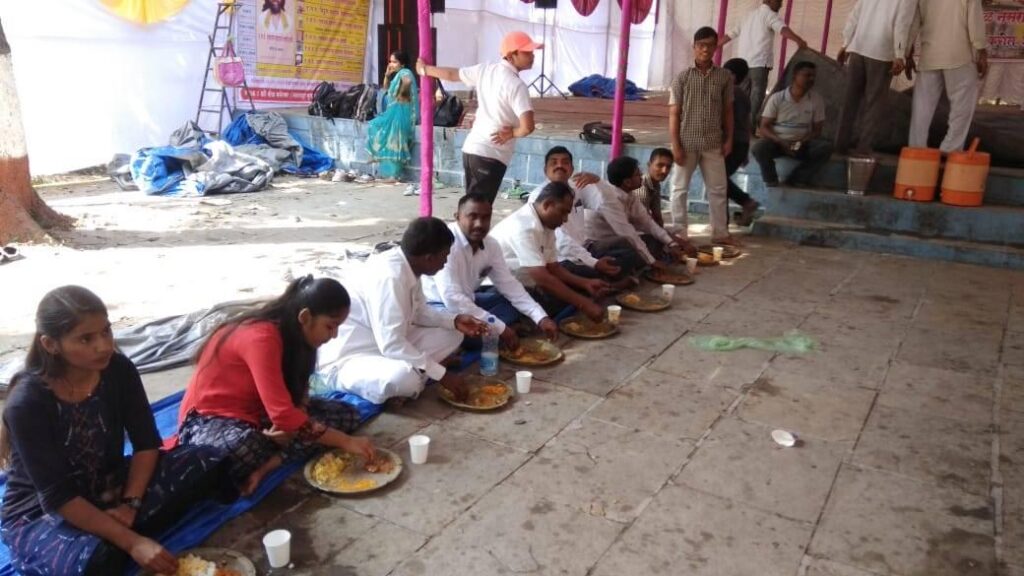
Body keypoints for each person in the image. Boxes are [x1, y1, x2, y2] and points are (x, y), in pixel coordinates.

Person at [1, 286, 231, 576]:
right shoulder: (28, 403)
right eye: (86, 338)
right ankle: (112, 540)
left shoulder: (118, 369)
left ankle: (114, 533)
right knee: (96, 560)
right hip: (44, 513)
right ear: (50, 344)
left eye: (106, 332)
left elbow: (147, 443)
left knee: (209, 460)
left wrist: (130, 504)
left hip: (110, 486)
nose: (103, 346)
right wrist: (134, 542)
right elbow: (58, 497)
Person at [177, 276, 376, 497]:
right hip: (212, 420)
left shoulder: (299, 335)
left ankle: (270, 461)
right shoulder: (260, 338)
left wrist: (297, 414)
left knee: (347, 414)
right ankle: (272, 447)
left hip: (261, 412)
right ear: (305, 317)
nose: (334, 335)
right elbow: (282, 415)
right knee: (239, 449)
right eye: (330, 326)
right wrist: (345, 441)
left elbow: (296, 398)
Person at [318, 218, 489, 405]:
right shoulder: (391, 277)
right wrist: (442, 375)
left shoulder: (409, 267)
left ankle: (417, 376)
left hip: (387, 342)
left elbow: (419, 312)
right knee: (405, 379)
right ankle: (412, 380)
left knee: (454, 334)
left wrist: (454, 320)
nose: (446, 261)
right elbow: (391, 345)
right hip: (353, 357)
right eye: (444, 256)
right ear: (429, 258)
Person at [423, 193, 559, 350]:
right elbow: (453, 299)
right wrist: (502, 328)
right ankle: (497, 331)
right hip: (439, 306)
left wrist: (541, 317)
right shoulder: (447, 244)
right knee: (470, 335)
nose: (479, 224)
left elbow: (508, 284)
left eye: (486, 217)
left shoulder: (491, 244)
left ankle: (497, 330)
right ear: (457, 217)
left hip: (470, 300)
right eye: (472, 216)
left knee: (511, 302)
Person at [417, 31, 541, 202]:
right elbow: (527, 126)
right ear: (512, 55)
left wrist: (426, 70)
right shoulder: (517, 85)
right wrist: (512, 133)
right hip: (491, 153)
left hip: (473, 149)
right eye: (527, 52)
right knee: (477, 211)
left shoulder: (486, 70)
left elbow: (453, 75)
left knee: (473, 208)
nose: (532, 56)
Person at [490, 181, 607, 322]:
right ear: (547, 205)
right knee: (568, 299)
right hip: (499, 288)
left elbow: (554, 267)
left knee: (574, 288)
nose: (565, 219)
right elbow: (542, 277)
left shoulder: (547, 224)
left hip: (528, 282)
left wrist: (585, 283)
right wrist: (584, 304)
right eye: (563, 212)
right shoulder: (523, 227)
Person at [528, 146, 641, 283]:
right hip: (562, 258)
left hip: (585, 247)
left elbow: (610, 202)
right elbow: (561, 242)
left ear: (572, 169)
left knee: (628, 249)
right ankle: (609, 283)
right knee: (589, 273)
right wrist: (594, 262)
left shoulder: (576, 188)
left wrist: (599, 182)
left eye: (565, 162)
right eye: (554, 162)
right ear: (545, 170)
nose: (560, 166)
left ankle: (608, 281)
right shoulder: (540, 198)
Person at [669, 27, 735, 247]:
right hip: (686, 143)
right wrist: (675, 145)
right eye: (701, 45)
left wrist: (729, 139)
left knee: (718, 189)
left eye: (710, 45)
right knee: (679, 189)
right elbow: (674, 113)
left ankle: (720, 233)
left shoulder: (724, 77)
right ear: (694, 47)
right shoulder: (682, 78)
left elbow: (727, 111)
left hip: (713, 142)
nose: (705, 49)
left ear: (716, 47)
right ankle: (679, 233)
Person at [905, 0, 989, 153]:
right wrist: (981, 50)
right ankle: (950, 151)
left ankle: (916, 151)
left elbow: (913, 21)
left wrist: (907, 52)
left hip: (930, 55)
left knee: (921, 107)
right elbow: (974, 21)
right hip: (959, 55)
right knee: (961, 108)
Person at [835, 0, 914, 156]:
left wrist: (845, 43)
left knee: (849, 100)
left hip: (858, 46)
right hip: (881, 52)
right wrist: (899, 55)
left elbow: (854, 15)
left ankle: (840, 145)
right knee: (874, 104)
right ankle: (863, 147)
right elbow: (902, 24)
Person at [719, 0, 809, 129]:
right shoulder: (770, 15)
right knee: (756, 97)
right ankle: (748, 127)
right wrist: (798, 40)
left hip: (743, 65)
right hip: (759, 63)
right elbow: (782, 29)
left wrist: (717, 45)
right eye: (779, 2)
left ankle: (735, 125)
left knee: (741, 95)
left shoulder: (747, 16)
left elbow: (731, 34)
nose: (781, 5)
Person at [590, 156, 683, 269]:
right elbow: (628, 234)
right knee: (629, 243)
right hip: (596, 246)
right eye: (638, 175)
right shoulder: (609, 200)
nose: (641, 177)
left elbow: (648, 223)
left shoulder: (630, 195)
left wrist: (672, 243)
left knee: (653, 239)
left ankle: (643, 264)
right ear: (628, 182)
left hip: (619, 241)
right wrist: (652, 261)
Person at [752, 61, 833, 187]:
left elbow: (817, 130)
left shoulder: (816, 100)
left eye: (813, 76)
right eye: (807, 75)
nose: (811, 79)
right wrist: (779, 141)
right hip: (777, 143)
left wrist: (802, 141)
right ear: (795, 75)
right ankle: (771, 180)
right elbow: (764, 127)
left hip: (802, 144)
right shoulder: (777, 98)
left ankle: (797, 179)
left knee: (825, 148)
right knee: (759, 148)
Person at [367, 50, 419, 181]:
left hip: (402, 113)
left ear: (402, 63)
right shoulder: (397, 75)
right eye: (390, 61)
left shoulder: (405, 73)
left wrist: (401, 96)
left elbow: (406, 85)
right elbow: (386, 89)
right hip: (393, 112)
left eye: (394, 61)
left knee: (395, 140)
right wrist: (386, 74)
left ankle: (395, 174)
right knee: (373, 125)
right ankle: (384, 166)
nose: (391, 64)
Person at [722, 58, 761, 226]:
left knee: (718, 181)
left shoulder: (732, 93)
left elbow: (736, 122)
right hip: (740, 143)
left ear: (732, 75)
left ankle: (745, 203)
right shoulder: (742, 94)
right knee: (719, 180)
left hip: (733, 142)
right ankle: (744, 204)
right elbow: (746, 122)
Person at [631, 148, 674, 229]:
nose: (664, 171)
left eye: (668, 167)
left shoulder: (656, 185)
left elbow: (658, 216)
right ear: (649, 164)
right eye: (660, 165)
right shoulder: (641, 188)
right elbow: (644, 223)